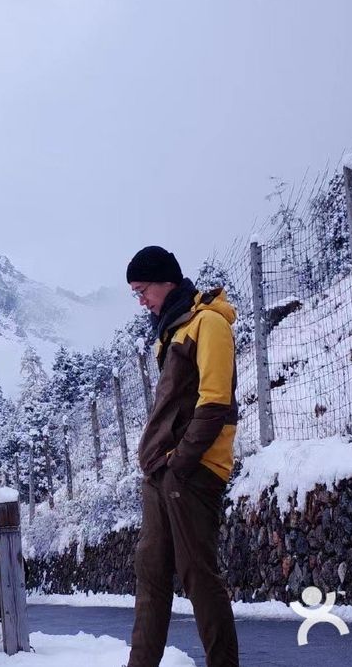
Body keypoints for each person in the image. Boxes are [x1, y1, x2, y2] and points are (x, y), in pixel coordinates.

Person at [125, 245, 240, 667]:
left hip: (193, 471)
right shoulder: (172, 331)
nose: (141, 301)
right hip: (163, 471)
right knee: (151, 576)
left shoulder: (208, 324)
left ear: (166, 282)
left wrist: (179, 464)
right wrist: (163, 466)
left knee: (199, 578)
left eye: (143, 290)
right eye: (135, 293)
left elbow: (215, 403)